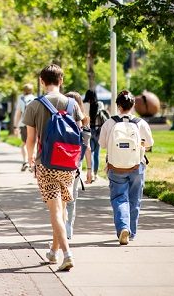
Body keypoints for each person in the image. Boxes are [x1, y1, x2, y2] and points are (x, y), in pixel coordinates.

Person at [23, 64, 83, 271]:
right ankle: (53, 252)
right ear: (61, 80)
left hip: (46, 163)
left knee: (55, 211)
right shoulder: (72, 104)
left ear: (42, 81)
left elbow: (30, 139)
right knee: (63, 209)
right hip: (68, 164)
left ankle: (67, 254)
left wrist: (30, 159)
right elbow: (80, 131)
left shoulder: (34, 105)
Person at [99, 90, 154, 245]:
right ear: (133, 105)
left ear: (118, 105)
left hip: (115, 167)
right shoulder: (140, 123)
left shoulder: (110, 123)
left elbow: (102, 144)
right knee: (134, 199)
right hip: (137, 166)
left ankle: (123, 227)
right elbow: (150, 143)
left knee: (119, 198)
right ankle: (131, 232)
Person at [63, 91, 92, 240]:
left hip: (59, 161)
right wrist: (90, 169)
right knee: (72, 196)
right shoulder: (84, 123)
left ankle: (62, 226)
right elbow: (87, 148)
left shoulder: (58, 120)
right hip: (75, 163)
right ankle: (69, 227)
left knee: (60, 196)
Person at [13, 83, 36, 171]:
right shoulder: (35, 99)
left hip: (23, 124)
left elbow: (18, 113)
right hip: (33, 124)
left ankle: (25, 161)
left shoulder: (21, 99)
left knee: (24, 143)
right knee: (34, 143)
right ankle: (33, 164)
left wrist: (15, 126)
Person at [83, 90, 103, 181]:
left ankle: (89, 173)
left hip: (88, 129)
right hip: (98, 130)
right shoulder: (100, 104)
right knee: (97, 154)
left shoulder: (84, 105)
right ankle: (95, 174)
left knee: (89, 152)